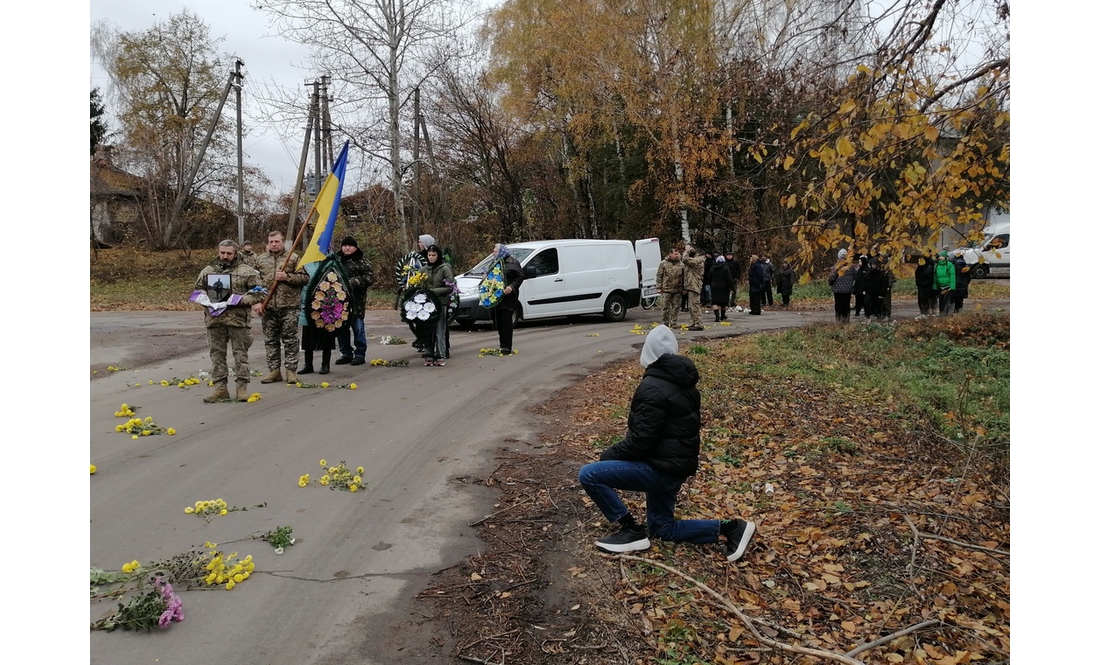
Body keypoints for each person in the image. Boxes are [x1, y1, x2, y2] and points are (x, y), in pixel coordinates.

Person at [577, 325, 757, 561]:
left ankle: (631, 530)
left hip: (661, 470)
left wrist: (608, 456)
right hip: (673, 467)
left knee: (589, 474)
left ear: (647, 352)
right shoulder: (684, 383)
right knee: (662, 529)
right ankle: (731, 528)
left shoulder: (652, 387)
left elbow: (640, 440)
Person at [193, 240, 264, 402]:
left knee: (240, 355)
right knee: (217, 355)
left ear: (236, 253)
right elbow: (197, 291)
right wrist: (205, 299)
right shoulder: (208, 271)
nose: (225, 256)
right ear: (218, 252)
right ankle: (220, 388)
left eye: (229, 253)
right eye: (222, 253)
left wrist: (238, 299)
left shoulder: (247, 271)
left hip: (238, 322)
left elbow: (259, 293)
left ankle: (242, 388)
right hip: (215, 321)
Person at [251, 231, 309, 385]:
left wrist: (287, 277)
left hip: (289, 306)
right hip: (267, 307)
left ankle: (291, 371)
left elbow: (305, 278)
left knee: (290, 340)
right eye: (271, 241)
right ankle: (274, 371)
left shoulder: (293, 258)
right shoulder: (260, 260)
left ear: (283, 242)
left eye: (277, 241)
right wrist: (256, 302)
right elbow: (252, 283)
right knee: (270, 340)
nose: (274, 244)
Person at [333, 236, 375, 366]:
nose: (346, 248)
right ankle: (346, 353)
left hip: (356, 301)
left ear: (355, 248)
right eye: (344, 245)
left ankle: (360, 353)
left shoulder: (361, 261)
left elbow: (369, 277)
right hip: (339, 302)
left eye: (349, 246)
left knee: (358, 328)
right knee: (341, 328)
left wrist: (350, 283)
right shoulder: (336, 261)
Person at [297, 260, 336, 375]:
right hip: (308, 302)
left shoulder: (330, 262)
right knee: (307, 336)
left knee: (326, 334)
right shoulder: (305, 264)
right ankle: (308, 364)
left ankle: (325, 364)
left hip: (326, 304)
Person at [424, 244, 455, 366]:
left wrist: (434, 291)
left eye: (434, 255)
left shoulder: (445, 268)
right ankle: (429, 354)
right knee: (427, 330)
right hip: (426, 304)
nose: (431, 257)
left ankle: (440, 354)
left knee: (439, 329)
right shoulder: (425, 269)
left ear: (438, 255)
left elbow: (450, 287)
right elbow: (417, 282)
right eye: (429, 255)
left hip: (440, 303)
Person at [491, 243, 524, 355]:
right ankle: (502, 345)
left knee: (506, 321)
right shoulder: (495, 263)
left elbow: (520, 276)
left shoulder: (513, 262)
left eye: (495, 251)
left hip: (509, 297)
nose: (493, 253)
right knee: (499, 321)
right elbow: (491, 276)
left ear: (501, 252)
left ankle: (507, 346)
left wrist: (511, 286)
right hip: (497, 297)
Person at [655, 248, 686, 328]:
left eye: (678, 254)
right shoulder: (664, 263)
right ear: (670, 254)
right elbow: (659, 275)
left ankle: (673, 322)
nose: (677, 256)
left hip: (677, 289)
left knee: (676, 307)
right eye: (675, 254)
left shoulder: (681, 264)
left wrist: (684, 288)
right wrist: (659, 286)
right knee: (665, 307)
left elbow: (684, 277)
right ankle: (665, 323)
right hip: (666, 289)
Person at [827, 249, 857, 323]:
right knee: (846, 305)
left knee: (838, 305)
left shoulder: (835, 267)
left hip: (837, 290)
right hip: (848, 289)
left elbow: (831, 279)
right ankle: (846, 319)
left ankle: (839, 319)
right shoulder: (851, 267)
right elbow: (856, 277)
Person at [682, 245, 706, 330]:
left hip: (695, 285)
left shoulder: (698, 260)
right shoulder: (694, 260)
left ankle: (698, 323)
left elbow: (685, 259)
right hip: (691, 285)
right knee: (691, 306)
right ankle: (694, 322)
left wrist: (687, 251)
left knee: (695, 305)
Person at [708, 255, 734, 321]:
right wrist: (732, 287)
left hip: (714, 287)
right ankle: (722, 316)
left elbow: (709, 278)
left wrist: (711, 284)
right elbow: (729, 279)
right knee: (723, 302)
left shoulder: (712, 268)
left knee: (714, 302)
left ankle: (717, 317)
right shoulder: (726, 268)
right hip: (724, 287)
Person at [933, 250, 956, 316]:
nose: (941, 257)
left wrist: (952, 286)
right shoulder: (936, 265)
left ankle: (946, 313)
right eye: (940, 256)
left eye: (943, 256)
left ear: (946, 257)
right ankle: (941, 313)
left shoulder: (949, 265)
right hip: (939, 286)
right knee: (941, 300)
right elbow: (935, 276)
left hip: (947, 286)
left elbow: (952, 275)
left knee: (947, 301)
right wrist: (934, 285)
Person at [914, 252, 937, 318]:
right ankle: (925, 312)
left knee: (925, 300)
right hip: (924, 285)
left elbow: (928, 276)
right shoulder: (930, 264)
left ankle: (925, 312)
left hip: (925, 285)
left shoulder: (928, 265)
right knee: (925, 299)